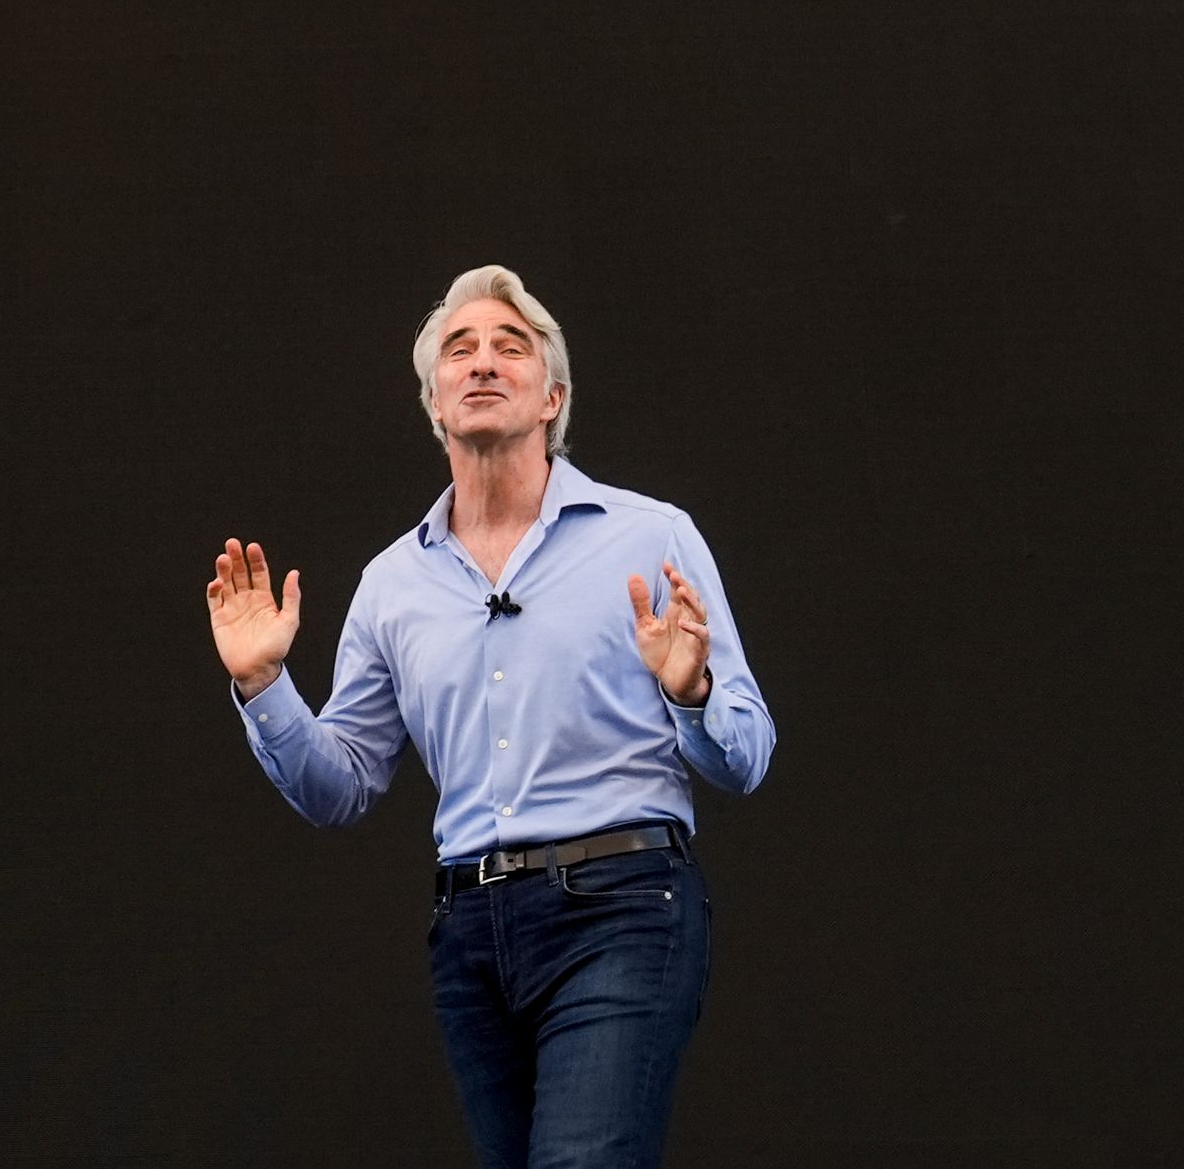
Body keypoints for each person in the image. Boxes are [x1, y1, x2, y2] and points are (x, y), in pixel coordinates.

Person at [205, 265, 772, 1167]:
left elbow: (748, 754)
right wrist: (265, 686)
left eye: (511, 348)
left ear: (552, 396)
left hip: (622, 909)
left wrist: (689, 692)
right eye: (459, 351)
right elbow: (339, 786)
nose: (483, 363)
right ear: (433, 401)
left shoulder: (650, 536)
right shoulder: (393, 585)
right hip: (472, 934)